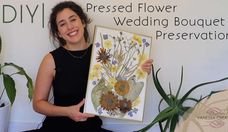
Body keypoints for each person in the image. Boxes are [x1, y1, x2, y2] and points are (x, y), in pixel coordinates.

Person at [29, 1, 153, 132]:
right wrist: (67, 112)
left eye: (73, 20)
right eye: (62, 24)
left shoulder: (104, 53)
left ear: (82, 21)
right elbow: (38, 104)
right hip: (56, 128)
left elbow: (120, 84)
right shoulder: (51, 59)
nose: (70, 26)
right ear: (59, 33)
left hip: (92, 128)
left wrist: (140, 72)